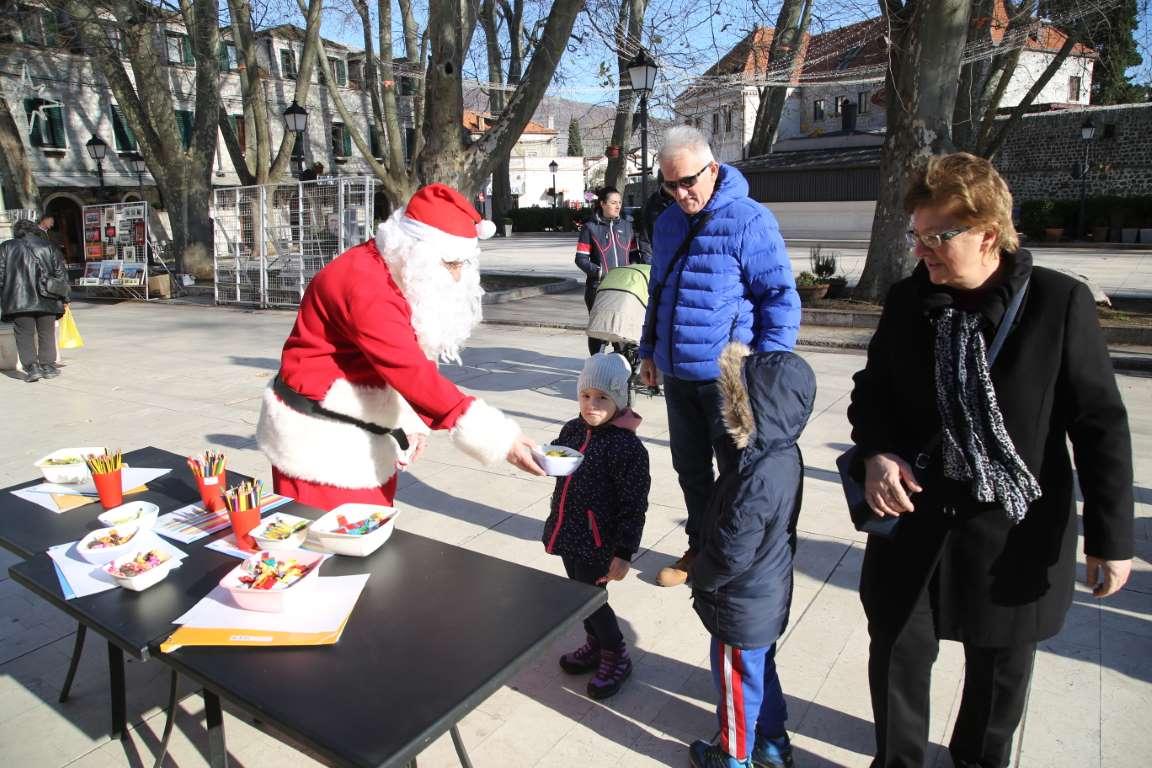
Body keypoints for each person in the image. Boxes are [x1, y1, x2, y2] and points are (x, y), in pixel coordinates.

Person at [846, 153, 1134, 768]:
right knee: (897, 654)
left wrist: (1112, 539)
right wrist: (876, 454)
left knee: (998, 681)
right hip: (914, 522)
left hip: (1014, 533)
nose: (922, 249)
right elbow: (871, 393)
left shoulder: (1059, 303)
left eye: (938, 236)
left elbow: (1100, 424)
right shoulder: (907, 301)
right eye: (917, 235)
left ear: (989, 232)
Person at [257, 183, 544, 511]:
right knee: (321, 545)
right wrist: (500, 439)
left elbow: (404, 353)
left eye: (463, 263)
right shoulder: (365, 284)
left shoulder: (393, 266)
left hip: (357, 427)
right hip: (319, 441)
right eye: (451, 263)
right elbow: (408, 368)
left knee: (364, 539)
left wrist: (409, 420)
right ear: (416, 249)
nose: (457, 276)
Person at [638, 125, 800, 588]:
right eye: (670, 185)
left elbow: (779, 299)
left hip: (729, 379)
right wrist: (648, 350)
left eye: (688, 181)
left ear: (712, 169)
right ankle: (700, 545)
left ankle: (737, 556)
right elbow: (658, 292)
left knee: (737, 473)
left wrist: (766, 370)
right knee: (689, 467)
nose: (681, 192)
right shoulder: (667, 222)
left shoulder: (751, 220)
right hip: (675, 373)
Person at [688, 343, 814, 768]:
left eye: (736, 402)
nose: (730, 410)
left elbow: (731, 551)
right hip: (766, 595)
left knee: (736, 683)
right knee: (762, 671)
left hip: (739, 601)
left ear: (756, 409)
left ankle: (733, 755)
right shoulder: (781, 454)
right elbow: (738, 456)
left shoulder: (754, 479)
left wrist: (699, 576)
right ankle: (773, 743)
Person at [541, 352, 650, 700]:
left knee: (592, 599)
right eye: (586, 396)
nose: (591, 405)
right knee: (578, 594)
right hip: (567, 529)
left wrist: (623, 552)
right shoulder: (573, 429)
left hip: (599, 542)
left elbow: (634, 505)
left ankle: (616, 653)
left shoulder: (628, 448)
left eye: (602, 398)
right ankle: (595, 642)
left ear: (619, 400)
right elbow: (562, 463)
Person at [575, 186, 643, 355]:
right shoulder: (590, 227)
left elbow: (634, 256)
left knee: (621, 333)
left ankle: (621, 370)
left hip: (623, 289)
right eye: (613, 202)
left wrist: (634, 274)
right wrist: (600, 272)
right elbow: (581, 259)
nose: (617, 206)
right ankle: (596, 368)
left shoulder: (627, 226)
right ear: (603, 204)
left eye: (619, 202)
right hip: (598, 288)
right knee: (599, 332)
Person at [0, 219, 70, 382]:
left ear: (16, 232)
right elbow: (61, 274)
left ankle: (32, 368)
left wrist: (4, 296)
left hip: (19, 300)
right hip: (48, 298)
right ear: (34, 230)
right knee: (47, 332)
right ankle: (48, 367)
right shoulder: (48, 246)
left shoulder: (6, 247)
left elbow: (1, 276)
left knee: (24, 333)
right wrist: (65, 297)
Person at [634, 172, 674, 263]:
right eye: (671, 184)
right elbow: (645, 237)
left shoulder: (683, 199)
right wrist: (649, 263)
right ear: (662, 184)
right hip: (659, 260)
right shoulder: (651, 205)